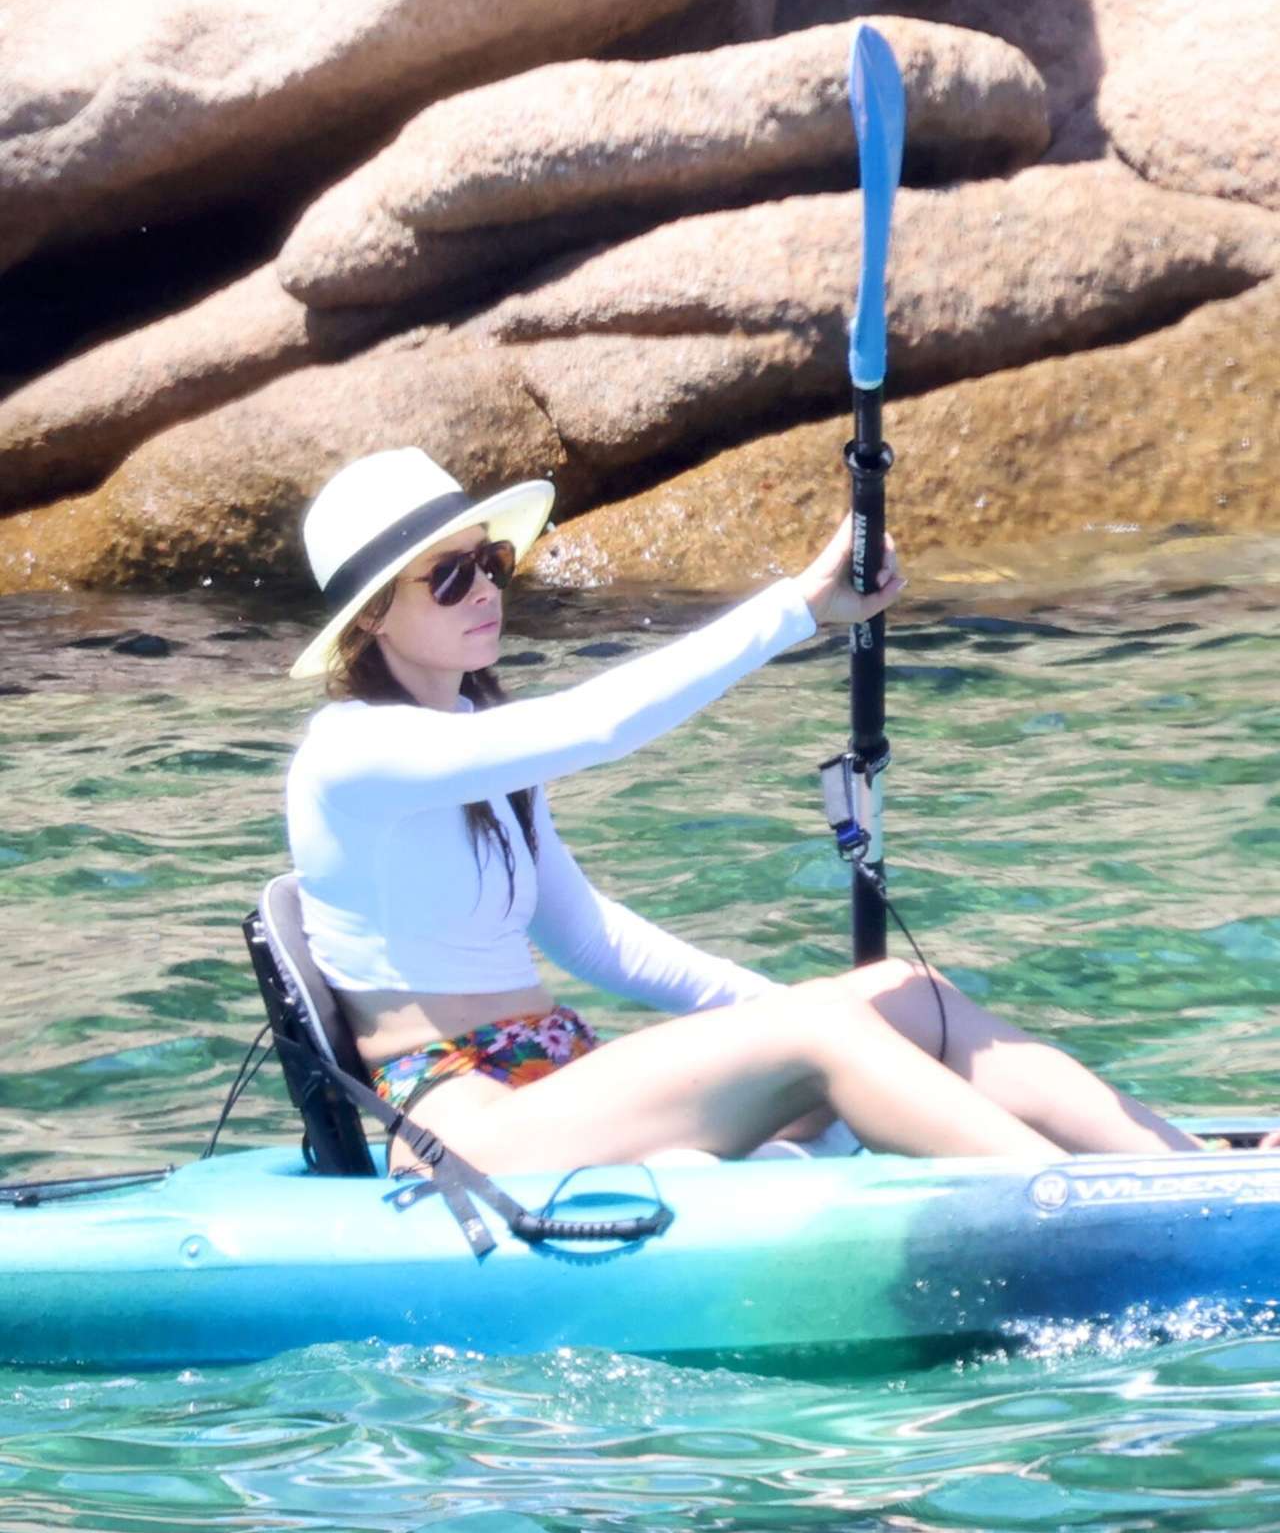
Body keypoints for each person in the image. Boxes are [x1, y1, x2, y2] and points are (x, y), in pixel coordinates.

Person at [285, 446, 1203, 1179]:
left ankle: (1191, 1170)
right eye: (448, 577)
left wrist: (806, 1008)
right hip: (466, 1120)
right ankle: (1084, 1208)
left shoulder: (475, 736)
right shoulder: (350, 753)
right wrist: (798, 607)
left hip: (559, 1069)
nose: (486, 588)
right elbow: (596, 726)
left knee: (899, 994)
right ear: (371, 619)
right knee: (824, 1028)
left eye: (489, 561)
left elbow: (591, 939)